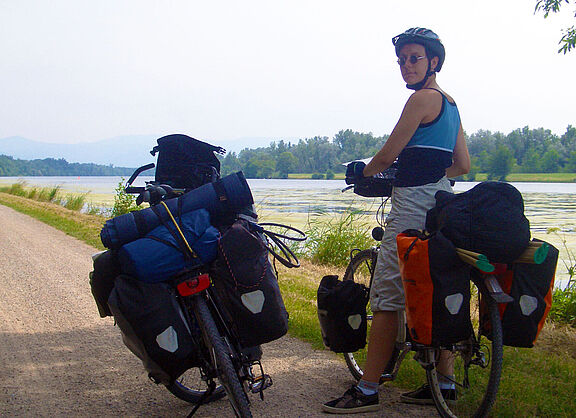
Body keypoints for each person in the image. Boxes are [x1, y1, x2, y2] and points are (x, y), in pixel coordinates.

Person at [322, 27, 471, 414]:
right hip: (442, 200)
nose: (406, 65)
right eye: (401, 60)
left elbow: (389, 154)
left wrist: (365, 174)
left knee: (387, 296)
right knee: (431, 285)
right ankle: (444, 383)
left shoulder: (422, 99)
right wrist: (433, 176)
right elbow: (463, 165)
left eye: (414, 58)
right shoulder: (451, 104)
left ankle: (368, 389)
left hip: (411, 205)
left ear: (433, 62)